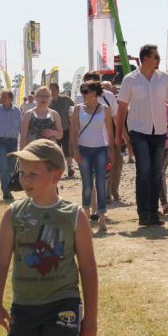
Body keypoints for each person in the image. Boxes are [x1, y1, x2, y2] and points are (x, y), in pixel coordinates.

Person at [0, 139, 98, 336]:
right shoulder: (13, 214)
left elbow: (88, 268)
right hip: (24, 308)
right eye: (22, 173)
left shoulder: (75, 215)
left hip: (63, 306)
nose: (25, 180)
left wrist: (90, 317)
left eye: (33, 174)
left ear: (56, 175)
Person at [115, 44, 168, 227]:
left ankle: (153, 213)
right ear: (146, 58)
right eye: (156, 56)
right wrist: (118, 135)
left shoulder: (163, 78)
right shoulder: (130, 80)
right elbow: (121, 108)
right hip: (138, 131)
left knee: (156, 173)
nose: (159, 59)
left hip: (160, 131)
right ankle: (143, 213)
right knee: (144, 171)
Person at [71, 81, 115, 231]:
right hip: (83, 149)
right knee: (87, 185)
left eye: (86, 91)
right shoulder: (78, 109)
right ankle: (86, 217)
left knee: (101, 184)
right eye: (82, 91)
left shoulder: (105, 110)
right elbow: (74, 131)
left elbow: (109, 131)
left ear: (95, 93)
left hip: (101, 149)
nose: (83, 94)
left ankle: (102, 218)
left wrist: (111, 151)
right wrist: (75, 150)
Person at [100, 80, 124, 202]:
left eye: (108, 87)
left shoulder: (117, 102)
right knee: (106, 167)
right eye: (103, 87)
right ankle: (106, 194)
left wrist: (125, 139)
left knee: (117, 166)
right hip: (103, 141)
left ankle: (114, 191)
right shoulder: (98, 102)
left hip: (115, 141)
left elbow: (120, 122)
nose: (105, 90)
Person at [48, 83, 76, 177]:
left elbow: (75, 108)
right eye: (50, 89)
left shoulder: (66, 99)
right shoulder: (48, 103)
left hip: (66, 128)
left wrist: (72, 115)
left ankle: (70, 167)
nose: (52, 92)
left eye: (53, 89)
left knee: (67, 148)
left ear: (58, 90)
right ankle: (56, 169)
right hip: (54, 131)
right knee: (55, 150)